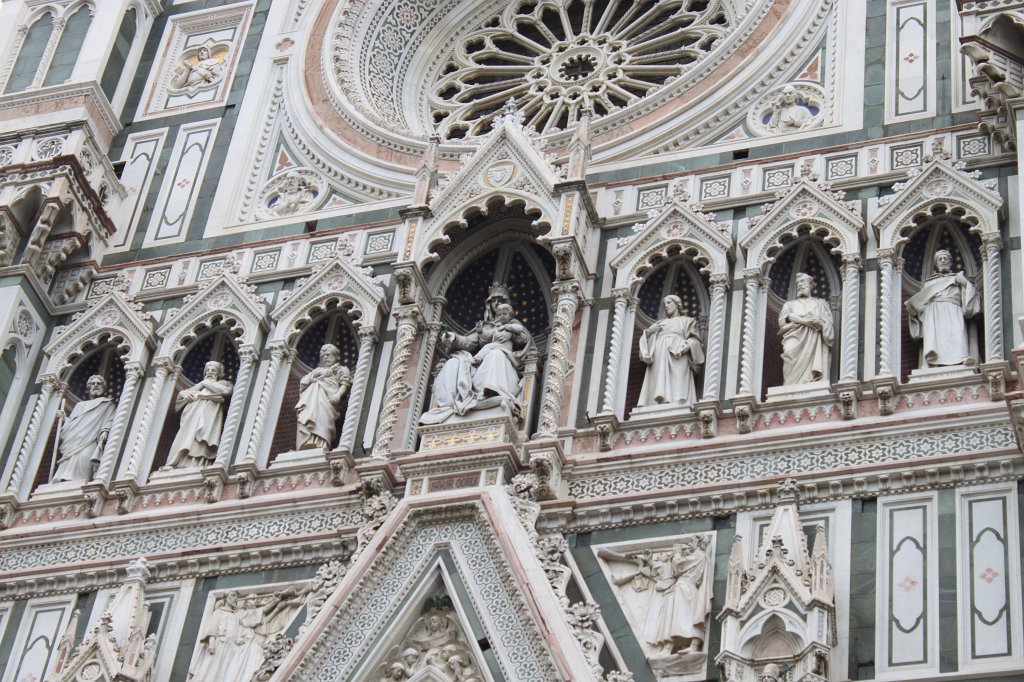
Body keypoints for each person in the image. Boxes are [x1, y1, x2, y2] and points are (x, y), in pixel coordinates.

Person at [420, 299, 532, 425]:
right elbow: (467, 342)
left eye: (502, 311)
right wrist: (453, 337)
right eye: (496, 309)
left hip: (504, 360)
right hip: (481, 364)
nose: (498, 312)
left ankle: (492, 392)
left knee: (495, 354)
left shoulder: (512, 326)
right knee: (453, 362)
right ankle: (447, 405)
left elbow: (524, 339)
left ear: (510, 314)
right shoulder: (489, 328)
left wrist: (511, 331)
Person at [599, 536, 714, 655]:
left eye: (692, 541)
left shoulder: (698, 555)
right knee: (673, 619)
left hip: (685, 589)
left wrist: (677, 554)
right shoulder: (696, 556)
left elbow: (678, 568)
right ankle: (668, 648)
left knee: (683, 619)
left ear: (700, 544)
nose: (689, 544)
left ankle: (691, 646)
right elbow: (666, 574)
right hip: (681, 589)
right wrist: (650, 561)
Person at [906, 249, 980, 367]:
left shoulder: (957, 278)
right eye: (940, 259)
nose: (943, 261)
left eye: (945, 259)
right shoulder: (928, 283)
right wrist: (914, 312)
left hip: (953, 309)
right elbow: (922, 306)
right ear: (936, 264)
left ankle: (962, 357)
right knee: (936, 338)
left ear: (951, 262)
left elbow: (973, 299)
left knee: (957, 333)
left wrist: (965, 283)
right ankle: (934, 362)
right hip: (934, 313)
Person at [638, 295, 704, 407]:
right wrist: (649, 332)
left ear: (677, 304)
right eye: (665, 304)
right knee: (658, 379)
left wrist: (687, 345)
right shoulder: (658, 324)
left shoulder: (687, 321)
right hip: (659, 354)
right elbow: (645, 348)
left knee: (678, 380)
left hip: (678, 353)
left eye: (669, 303)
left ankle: (678, 403)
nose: (666, 306)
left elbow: (696, 341)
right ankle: (656, 403)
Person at [167, 361, 233, 469]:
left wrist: (205, 384)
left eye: (213, 370)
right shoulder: (200, 386)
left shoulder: (223, 383)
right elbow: (181, 396)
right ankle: (181, 462)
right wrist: (186, 394)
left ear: (218, 373)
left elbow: (226, 392)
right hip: (193, 415)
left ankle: (199, 464)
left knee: (202, 439)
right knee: (188, 437)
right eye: (207, 370)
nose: (209, 372)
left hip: (210, 417)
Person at [52, 375, 116, 483]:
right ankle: (63, 480)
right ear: (88, 387)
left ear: (104, 388)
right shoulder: (79, 405)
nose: (95, 385)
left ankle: (82, 480)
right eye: (93, 383)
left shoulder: (108, 403)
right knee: (68, 461)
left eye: (99, 384)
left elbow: (110, 419)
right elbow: (72, 423)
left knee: (85, 457)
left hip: (91, 439)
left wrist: (105, 431)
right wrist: (64, 418)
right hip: (74, 439)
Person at [778, 273, 833, 385]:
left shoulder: (820, 303)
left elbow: (828, 322)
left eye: (802, 282)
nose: (799, 285)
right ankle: (790, 385)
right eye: (797, 283)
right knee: (789, 353)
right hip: (794, 335)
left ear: (810, 285)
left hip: (813, 337)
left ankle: (812, 379)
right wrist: (807, 322)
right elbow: (782, 322)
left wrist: (821, 324)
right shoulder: (789, 304)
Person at [295, 344, 351, 450]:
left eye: (328, 355)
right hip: (312, 400)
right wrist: (314, 376)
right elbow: (303, 383)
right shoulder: (317, 370)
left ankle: (321, 444)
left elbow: (345, 384)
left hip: (327, 401)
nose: (325, 357)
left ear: (335, 356)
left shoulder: (342, 369)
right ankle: (307, 441)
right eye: (323, 355)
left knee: (323, 420)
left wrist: (338, 395)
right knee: (308, 417)